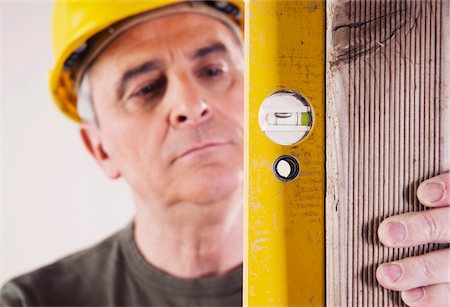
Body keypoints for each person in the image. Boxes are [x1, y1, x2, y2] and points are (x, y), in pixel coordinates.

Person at [0, 1, 448, 306]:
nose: (192, 104)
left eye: (214, 70)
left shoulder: (379, 271)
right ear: (100, 149)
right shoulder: (34, 301)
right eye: (147, 88)